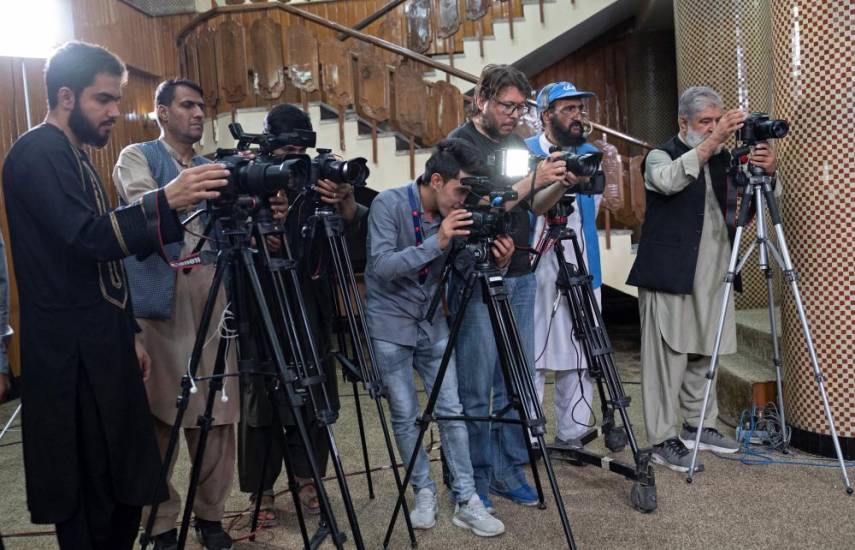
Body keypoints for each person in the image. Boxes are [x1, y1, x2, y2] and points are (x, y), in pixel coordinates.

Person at [1, 41, 227, 549]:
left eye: (116, 99)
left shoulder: (73, 154)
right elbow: (88, 238)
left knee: (122, 484)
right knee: (90, 498)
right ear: (66, 96)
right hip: (69, 356)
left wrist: (129, 334)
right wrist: (166, 200)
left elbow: (102, 264)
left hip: (104, 344)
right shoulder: (38, 153)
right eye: (103, 99)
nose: (114, 112)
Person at [112, 79, 238, 550]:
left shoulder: (214, 167)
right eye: (187, 105)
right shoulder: (137, 156)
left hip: (213, 290)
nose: (198, 113)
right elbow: (143, 210)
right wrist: (195, 187)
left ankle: (210, 516)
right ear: (162, 112)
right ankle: (161, 520)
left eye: (202, 106)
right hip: (162, 299)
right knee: (160, 415)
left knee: (219, 412)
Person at [626, 86, 777, 472]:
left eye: (716, 121)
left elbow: (751, 201)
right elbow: (669, 181)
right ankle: (662, 439)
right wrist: (714, 140)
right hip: (669, 271)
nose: (713, 128)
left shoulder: (723, 158)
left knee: (703, 350)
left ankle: (699, 426)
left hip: (713, 271)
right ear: (683, 123)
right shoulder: (661, 155)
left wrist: (766, 172)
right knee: (668, 356)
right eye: (704, 123)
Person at [365, 138, 509, 536]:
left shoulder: (457, 214)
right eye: (461, 190)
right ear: (437, 179)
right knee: (405, 416)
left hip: (433, 324)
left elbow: (461, 264)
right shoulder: (388, 205)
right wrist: (438, 242)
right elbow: (381, 267)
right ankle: (423, 491)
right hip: (390, 327)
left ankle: (466, 498)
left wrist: (497, 257)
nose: (464, 200)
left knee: (453, 412)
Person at [237, 104, 368, 524]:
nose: (294, 160)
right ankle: (262, 492)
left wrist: (346, 208)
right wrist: (261, 235)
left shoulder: (318, 179)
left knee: (314, 393)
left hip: (311, 304)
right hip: (262, 303)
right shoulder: (251, 177)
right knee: (262, 401)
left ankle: (309, 478)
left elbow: (352, 249)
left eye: (301, 149)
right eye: (286, 150)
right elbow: (228, 249)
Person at [446, 64, 567, 508]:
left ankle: (506, 468)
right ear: (482, 99)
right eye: (507, 105)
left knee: (514, 378)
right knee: (477, 384)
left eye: (521, 107)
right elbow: (479, 204)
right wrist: (535, 178)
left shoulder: (516, 143)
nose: (516, 115)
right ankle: (473, 477)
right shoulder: (458, 146)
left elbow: (531, 202)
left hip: (518, 271)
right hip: (474, 274)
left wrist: (555, 182)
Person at [526, 82, 603, 450]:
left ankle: (573, 433)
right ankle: (529, 435)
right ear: (546, 115)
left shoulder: (589, 154)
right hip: (535, 266)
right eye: (568, 109)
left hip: (581, 263)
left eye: (579, 109)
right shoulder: (525, 153)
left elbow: (594, 207)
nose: (577, 116)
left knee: (581, 351)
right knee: (534, 354)